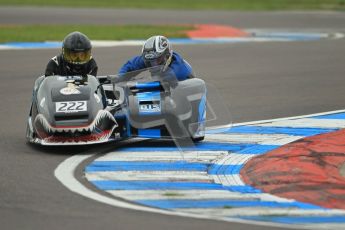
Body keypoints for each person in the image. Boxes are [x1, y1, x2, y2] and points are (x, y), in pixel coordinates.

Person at [118, 35, 195, 81]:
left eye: (157, 60)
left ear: (167, 56)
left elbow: (159, 83)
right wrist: (121, 78)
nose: (153, 65)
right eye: (149, 62)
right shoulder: (151, 58)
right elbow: (130, 65)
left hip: (183, 93)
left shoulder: (178, 71)